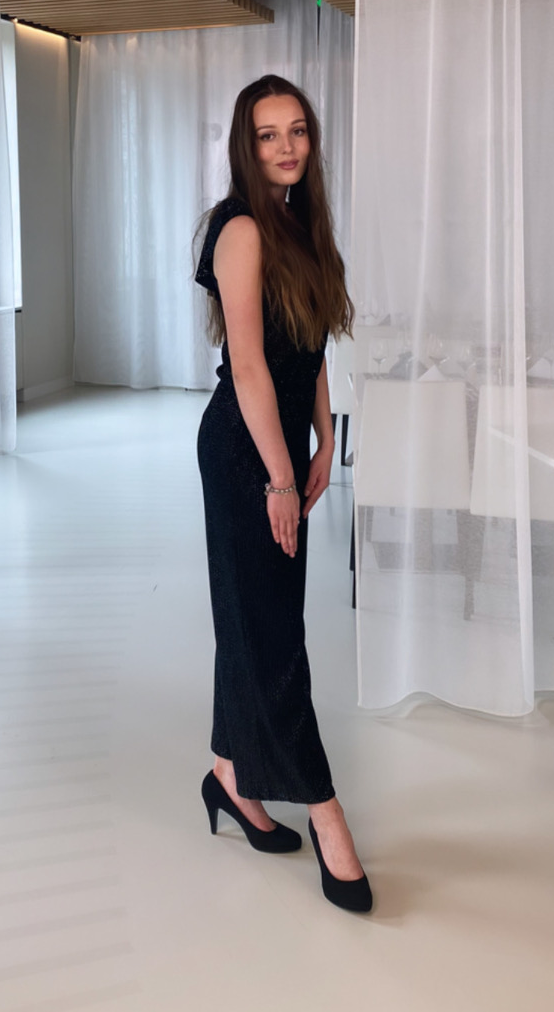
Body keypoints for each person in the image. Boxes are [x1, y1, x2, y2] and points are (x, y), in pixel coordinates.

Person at [195, 74, 372, 913]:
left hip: (283, 443)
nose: (286, 146)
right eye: (267, 134)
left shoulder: (301, 225)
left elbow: (308, 343)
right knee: (271, 636)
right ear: (246, 145)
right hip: (244, 451)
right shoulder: (238, 229)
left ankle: (229, 773)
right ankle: (326, 814)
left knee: (255, 619)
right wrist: (277, 474)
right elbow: (250, 365)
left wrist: (325, 436)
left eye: (297, 129)